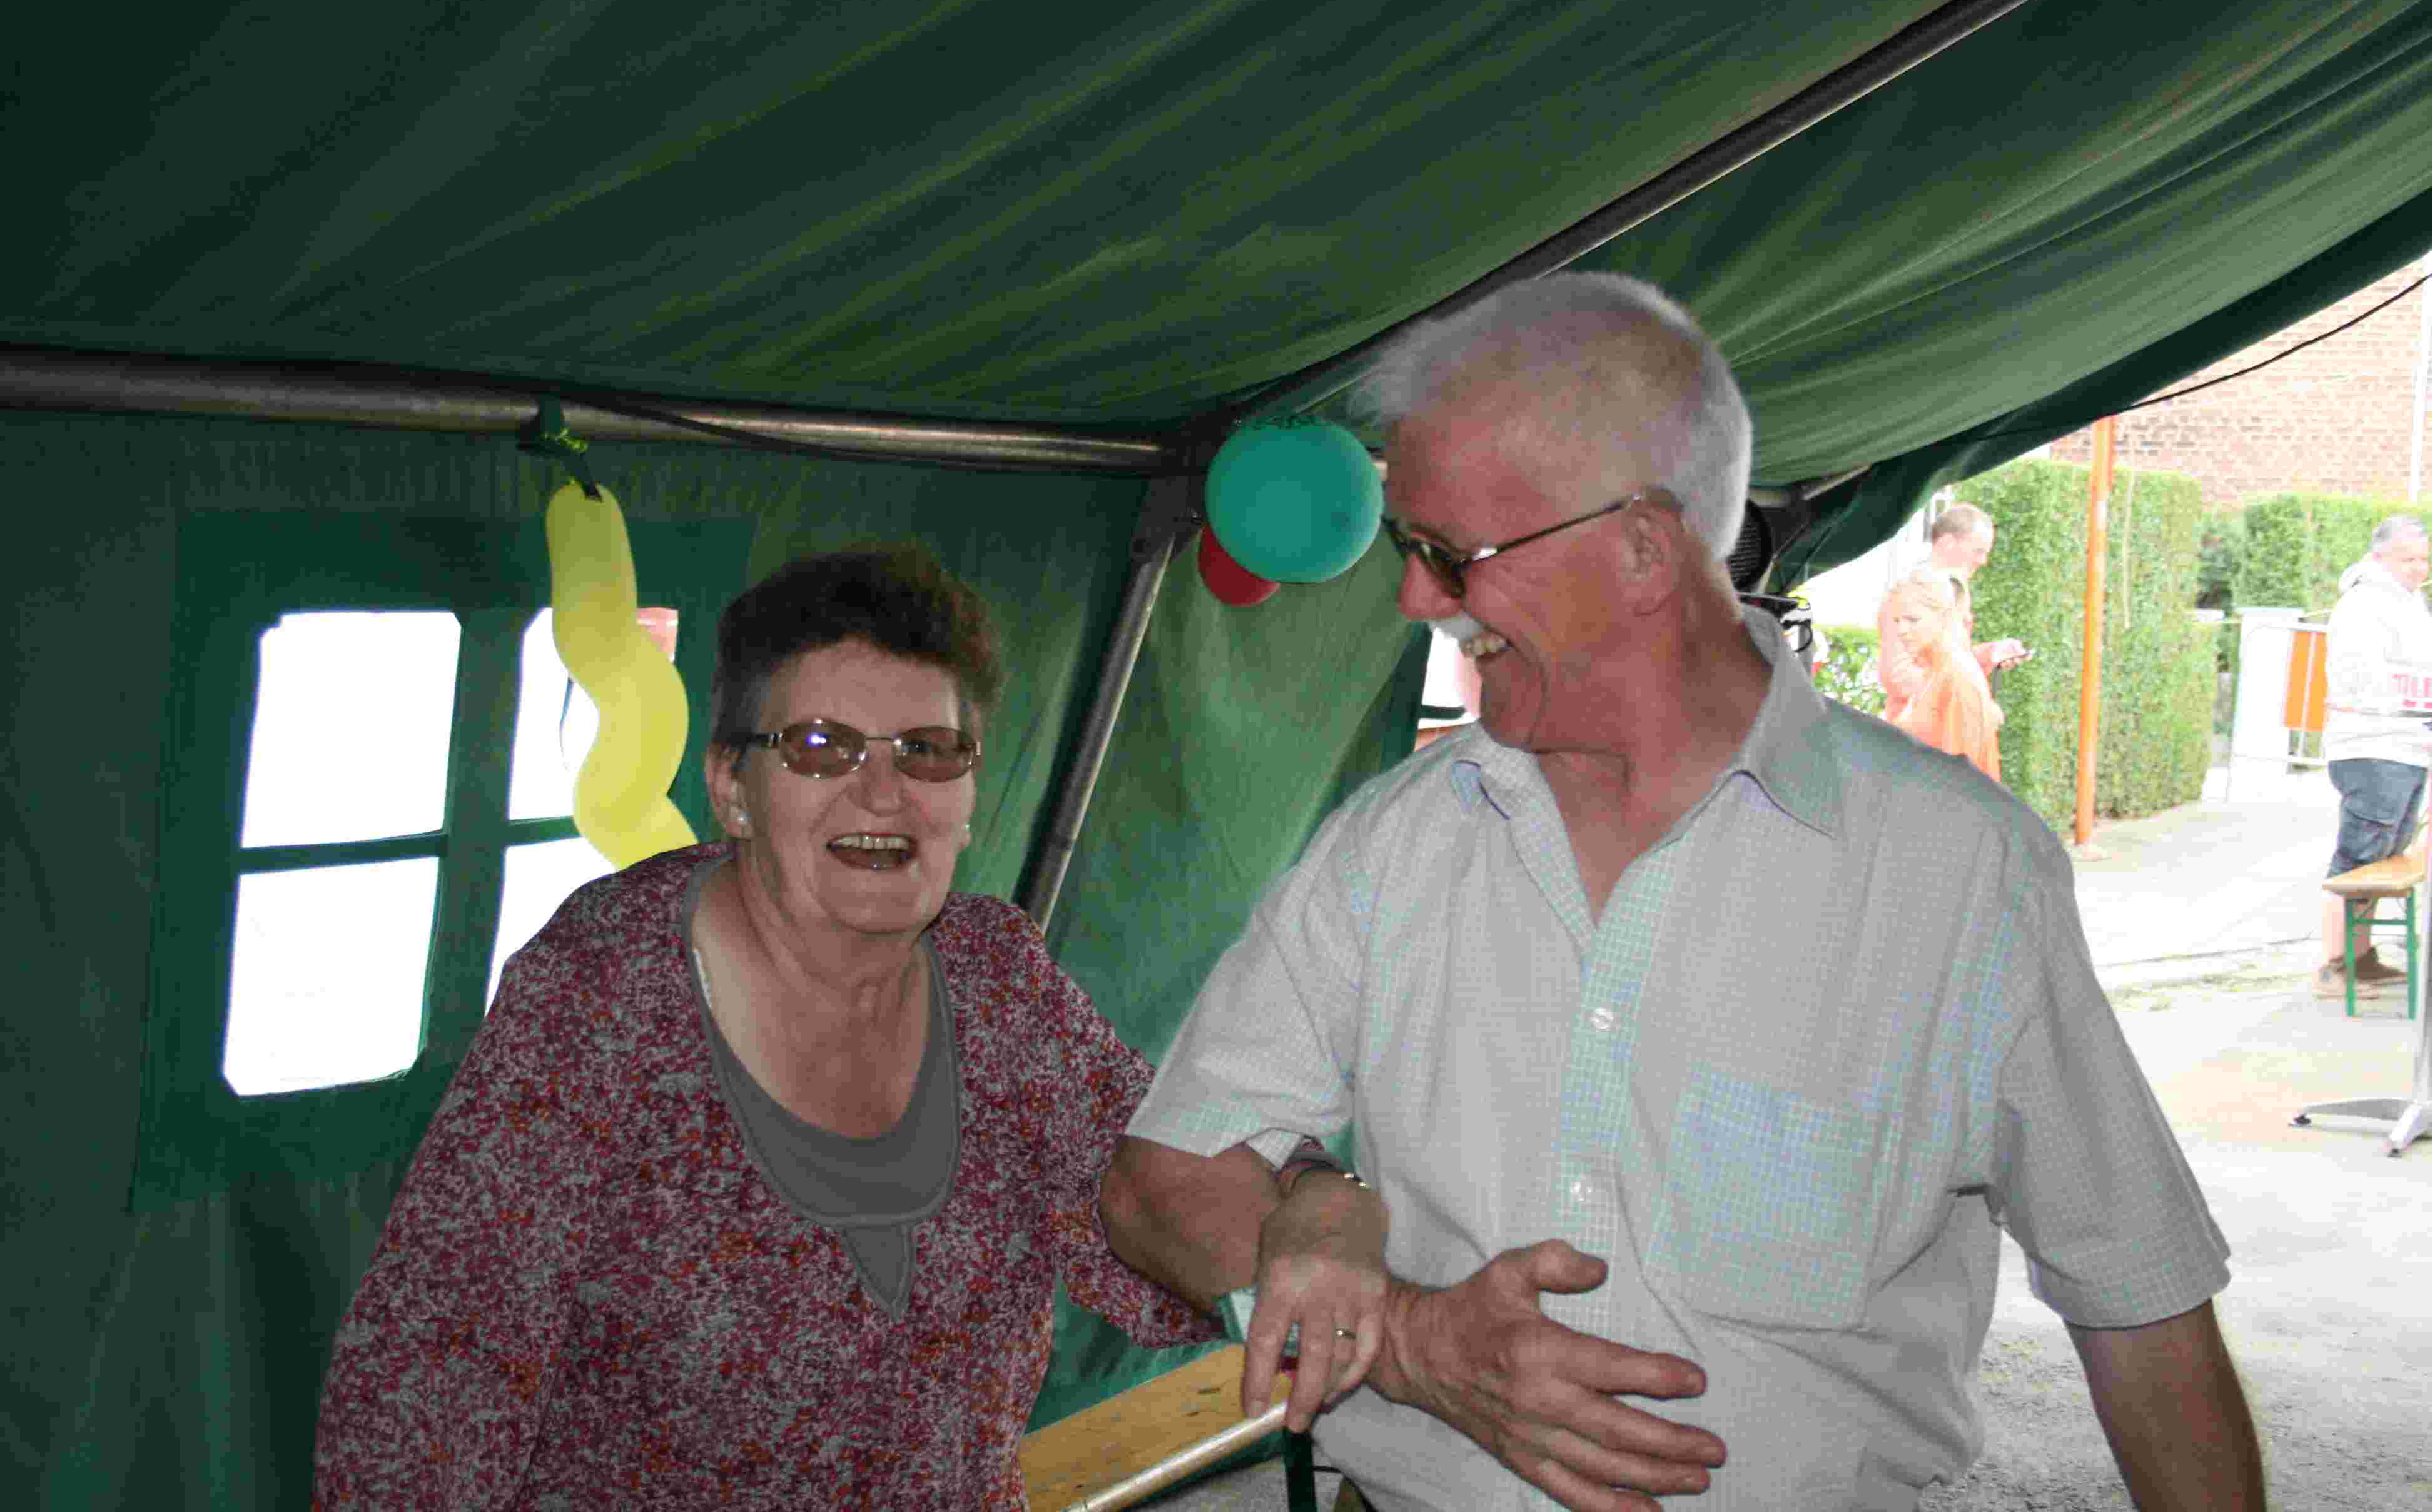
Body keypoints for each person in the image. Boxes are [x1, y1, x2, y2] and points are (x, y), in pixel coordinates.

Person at [1100, 273, 2261, 1511]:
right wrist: (1407, 1333)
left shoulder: (1958, 872)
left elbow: (2142, 1309)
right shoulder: (1396, 844)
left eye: (1447, 555)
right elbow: (1157, 1181)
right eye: (1407, 548)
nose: (1414, 599)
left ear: (1644, 550)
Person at [315, 545, 1216, 1508]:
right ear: (732, 788)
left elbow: (1159, 1190)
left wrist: (1307, 1213)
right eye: (821, 746)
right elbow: (436, 1376)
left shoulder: (997, 979)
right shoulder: (602, 995)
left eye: (928, 749)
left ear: (966, 797)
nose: (885, 792)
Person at [2316, 513, 2432, 995]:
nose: (2419, 568)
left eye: (2424, 559)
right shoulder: (2365, 605)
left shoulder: (2408, 602)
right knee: (2358, 860)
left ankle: (2360, 958)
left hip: (2405, 746)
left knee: (2382, 861)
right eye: (2409, 559)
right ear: (2380, 557)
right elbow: (2366, 678)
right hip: (2374, 746)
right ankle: (2333, 966)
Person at [1875, 501, 2027, 722]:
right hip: (1915, 734)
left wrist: (1990, 654)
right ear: (1948, 543)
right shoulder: (1909, 593)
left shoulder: (1953, 592)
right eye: (1978, 551)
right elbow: (1899, 677)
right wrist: (1970, 700)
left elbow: (1949, 664)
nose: (1983, 561)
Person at [1883, 567, 2003, 780]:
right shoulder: (1933, 671)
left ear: (1944, 616)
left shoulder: (1958, 677)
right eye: (1897, 621)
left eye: (1912, 619)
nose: (1901, 630)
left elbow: (1961, 781)